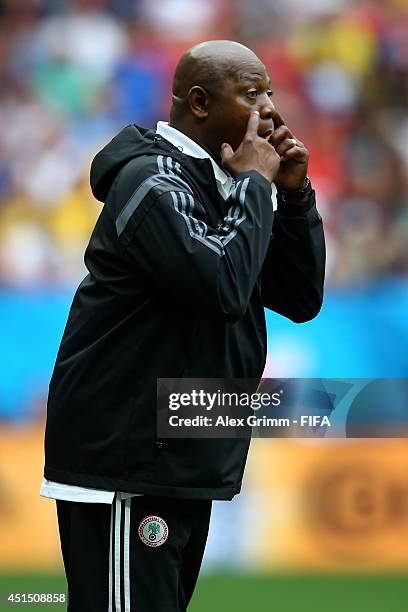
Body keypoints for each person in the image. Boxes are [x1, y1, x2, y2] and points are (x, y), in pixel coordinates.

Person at [40, 40, 325, 611]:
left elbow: (299, 298)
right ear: (199, 102)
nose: (269, 109)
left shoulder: (223, 185)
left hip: (181, 457)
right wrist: (256, 186)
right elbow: (220, 286)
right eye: (251, 93)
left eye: (269, 91)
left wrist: (292, 198)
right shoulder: (149, 182)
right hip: (127, 462)